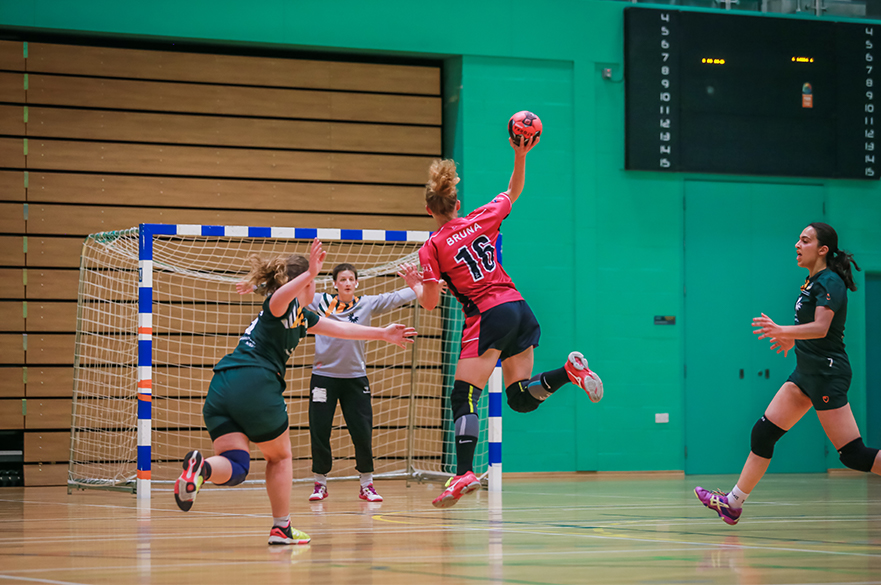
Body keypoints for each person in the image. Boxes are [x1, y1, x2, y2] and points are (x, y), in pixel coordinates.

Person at [172, 239, 417, 545]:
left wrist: (381, 334)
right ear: (303, 283)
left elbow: (342, 329)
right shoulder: (279, 305)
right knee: (280, 457)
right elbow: (280, 295)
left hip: (222, 389)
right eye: (311, 282)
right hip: (257, 384)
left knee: (236, 466)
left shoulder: (302, 316)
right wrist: (310, 272)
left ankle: (200, 470)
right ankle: (281, 527)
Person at [409, 134, 604, 509]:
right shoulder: (483, 215)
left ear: (429, 210)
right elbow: (513, 190)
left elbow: (431, 304)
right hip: (518, 306)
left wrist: (418, 286)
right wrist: (520, 153)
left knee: (464, 395)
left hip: (487, 314)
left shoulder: (431, 247)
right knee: (518, 399)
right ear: (458, 204)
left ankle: (464, 471)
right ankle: (568, 372)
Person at [695, 222, 880, 525]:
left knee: (852, 455)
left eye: (805, 240)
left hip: (826, 374)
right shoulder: (810, 283)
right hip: (805, 373)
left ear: (823, 249)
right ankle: (732, 503)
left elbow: (821, 328)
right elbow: (818, 330)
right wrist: (791, 338)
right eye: (798, 239)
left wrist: (783, 330)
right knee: (763, 433)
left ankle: (733, 502)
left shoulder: (830, 281)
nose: (797, 244)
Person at [305, 262, 429, 503]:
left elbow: (395, 297)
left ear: (357, 283)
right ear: (334, 284)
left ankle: (367, 484)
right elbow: (287, 292)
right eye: (342, 279)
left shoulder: (366, 304)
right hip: (323, 378)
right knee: (319, 430)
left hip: (355, 379)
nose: (347, 283)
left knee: (361, 432)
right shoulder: (318, 302)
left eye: (351, 279)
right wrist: (257, 285)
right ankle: (320, 483)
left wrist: (424, 285)